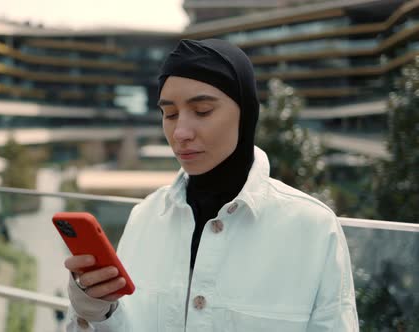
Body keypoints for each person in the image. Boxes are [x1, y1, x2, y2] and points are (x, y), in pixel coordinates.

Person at [63, 39, 359, 331]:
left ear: (246, 113)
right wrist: (97, 313)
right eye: (170, 114)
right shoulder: (145, 216)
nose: (180, 132)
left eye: (202, 110)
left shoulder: (314, 228)